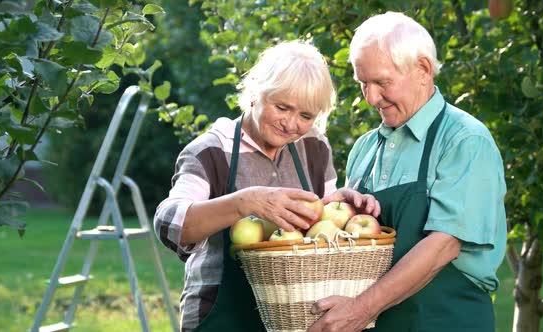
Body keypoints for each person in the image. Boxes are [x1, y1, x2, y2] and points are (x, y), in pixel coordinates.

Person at [153, 40, 379, 332]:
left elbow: (318, 230)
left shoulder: (313, 146)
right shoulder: (212, 150)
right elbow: (169, 223)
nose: (291, 124)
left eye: (306, 116)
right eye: (282, 107)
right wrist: (245, 202)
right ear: (256, 92)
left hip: (297, 316)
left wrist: (339, 203)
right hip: (222, 317)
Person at [308, 12, 507, 332]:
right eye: (363, 84)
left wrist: (360, 309)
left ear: (423, 70)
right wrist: (335, 209)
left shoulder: (464, 140)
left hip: (446, 321)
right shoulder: (365, 148)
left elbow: (444, 245)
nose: (371, 98)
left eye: (382, 82)